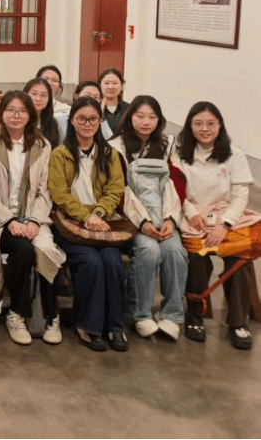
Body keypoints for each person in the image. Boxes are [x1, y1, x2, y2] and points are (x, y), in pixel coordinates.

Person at [0, 91, 66, 346]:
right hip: (1, 219)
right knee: (24, 250)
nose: (16, 116)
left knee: (48, 251)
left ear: (31, 115)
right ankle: (17, 313)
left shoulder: (42, 145)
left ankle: (52, 316)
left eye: (22, 111)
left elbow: (45, 190)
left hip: (33, 218)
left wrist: (34, 221)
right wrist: (10, 220)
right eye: (10, 110)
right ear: (1, 113)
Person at [172, 101, 260, 350]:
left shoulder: (234, 154)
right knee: (196, 257)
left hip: (226, 216)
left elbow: (240, 194)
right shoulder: (179, 153)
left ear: (220, 125)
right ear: (189, 126)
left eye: (211, 123)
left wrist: (225, 224)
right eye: (198, 123)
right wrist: (191, 214)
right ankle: (196, 313)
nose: (205, 129)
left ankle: (238, 321)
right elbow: (176, 189)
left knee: (240, 257)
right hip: (193, 216)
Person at [48, 97, 127, 352]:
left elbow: (115, 190)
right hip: (70, 225)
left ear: (100, 121)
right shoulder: (59, 154)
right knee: (90, 262)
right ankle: (88, 325)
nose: (87, 123)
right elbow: (59, 194)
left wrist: (99, 213)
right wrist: (86, 216)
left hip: (102, 222)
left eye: (93, 119)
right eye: (81, 118)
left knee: (113, 262)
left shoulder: (110, 155)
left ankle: (115, 325)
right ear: (72, 120)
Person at [108, 96, 185, 341]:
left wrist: (170, 219)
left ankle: (172, 315)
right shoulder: (116, 147)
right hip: (131, 221)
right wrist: (142, 222)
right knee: (149, 250)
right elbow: (119, 190)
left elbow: (175, 185)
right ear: (129, 117)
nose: (146, 122)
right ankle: (140, 314)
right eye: (140, 116)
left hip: (164, 217)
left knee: (175, 251)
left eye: (152, 117)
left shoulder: (167, 146)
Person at [24, 77, 61, 147]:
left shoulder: (52, 124)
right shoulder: (18, 120)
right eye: (34, 94)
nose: (38, 99)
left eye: (43, 95)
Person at [98, 68, 130, 134]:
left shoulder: (129, 109)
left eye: (115, 83)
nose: (110, 87)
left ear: (121, 86)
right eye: (106, 83)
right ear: (100, 86)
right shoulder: (95, 108)